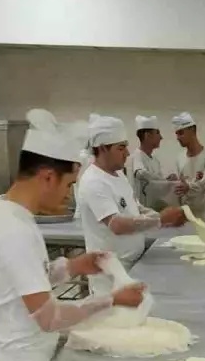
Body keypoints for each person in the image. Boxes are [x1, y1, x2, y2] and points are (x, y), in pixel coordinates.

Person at [0, 110, 149, 361]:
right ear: (46, 176)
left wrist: (72, 266)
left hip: (12, 356)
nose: (69, 196)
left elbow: (19, 281)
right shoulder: (15, 230)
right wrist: (112, 301)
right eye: (68, 185)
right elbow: (49, 316)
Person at [77, 112, 186, 294]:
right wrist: (160, 219)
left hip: (133, 265)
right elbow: (116, 224)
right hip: (110, 276)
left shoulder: (118, 174)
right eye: (121, 148)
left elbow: (135, 207)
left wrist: (163, 217)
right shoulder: (94, 181)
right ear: (103, 148)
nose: (127, 153)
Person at [169, 112, 205, 223]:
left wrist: (189, 187)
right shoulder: (180, 158)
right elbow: (179, 189)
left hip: (204, 219)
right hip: (186, 219)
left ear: (192, 130)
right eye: (176, 134)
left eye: (181, 133)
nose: (178, 138)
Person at [128, 115, 166, 210]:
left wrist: (170, 181)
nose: (161, 137)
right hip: (140, 211)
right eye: (157, 133)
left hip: (154, 210)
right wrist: (164, 181)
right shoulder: (137, 156)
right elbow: (140, 173)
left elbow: (160, 185)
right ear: (147, 135)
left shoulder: (155, 161)